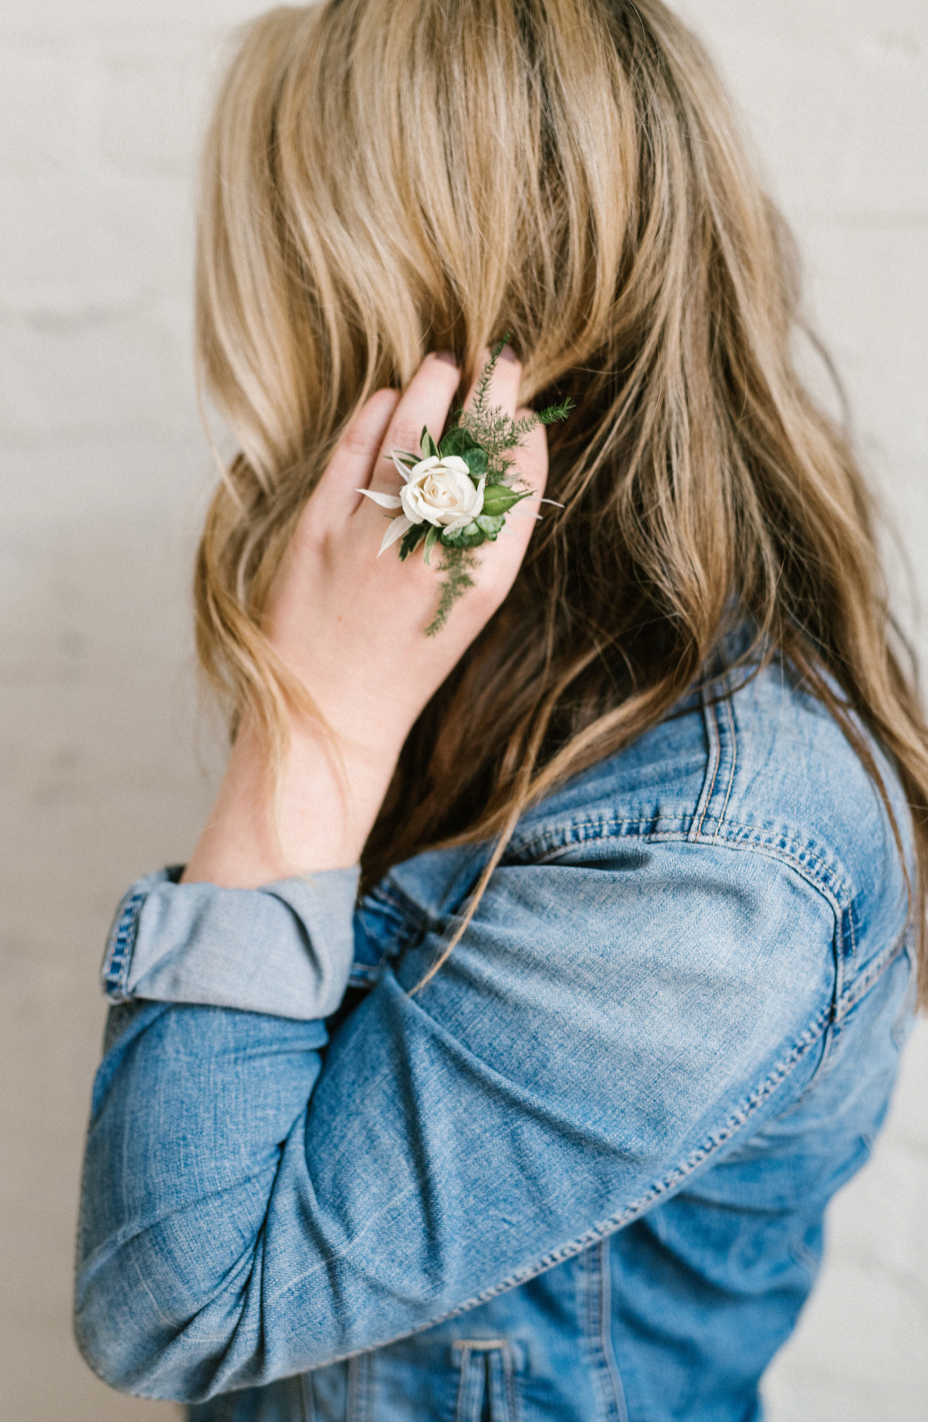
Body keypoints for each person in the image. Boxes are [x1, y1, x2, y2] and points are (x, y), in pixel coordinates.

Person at [74, 1, 927, 1418]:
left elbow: (178, 1300)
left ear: (411, 337)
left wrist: (317, 729)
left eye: (285, 285)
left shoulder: (713, 858)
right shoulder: (454, 649)